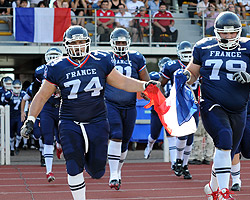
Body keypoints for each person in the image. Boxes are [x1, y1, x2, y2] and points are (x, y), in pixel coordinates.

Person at [20, 25, 158, 200]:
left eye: (81, 42)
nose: (78, 46)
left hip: (97, 121)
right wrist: (30, 119)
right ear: (66, 44)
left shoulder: (100, 60)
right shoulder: (57, 66)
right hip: (70, 121)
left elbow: (122, 82)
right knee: (73, 164)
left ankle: (86, 160)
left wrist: (144, 85)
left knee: (97, 170)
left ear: (88, 43)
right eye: (74, 42)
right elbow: (40, 97)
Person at [185, 11, 250, 199]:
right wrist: (185, 77)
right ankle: (223, 192)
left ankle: (212, 186)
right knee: (223, 139)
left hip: (239, 108)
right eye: (224, 33)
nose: (229, 36)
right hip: (211, 103)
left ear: (239, 31)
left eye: (233, 33)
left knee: (229, 150)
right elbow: (192, 72)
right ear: (216, 32)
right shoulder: (203, 46)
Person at [106, 28, 150, 190]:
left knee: (125, 141)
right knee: (116, 134)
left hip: (129, 105)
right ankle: (112, 175)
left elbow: (145, 80)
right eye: (118, 42)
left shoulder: (136, 57)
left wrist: (147, 92)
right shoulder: (105, 58)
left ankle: (118, 172)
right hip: (110, 103)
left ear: (128, 43)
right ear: (112, 42)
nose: (120, 45)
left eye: (123, 42)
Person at [159, 41, 199, 180]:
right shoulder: (172, 66)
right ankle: (178, 160)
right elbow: (161, 83)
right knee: (182, 135)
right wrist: (164, 99)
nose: (187, 56)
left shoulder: (198, 65)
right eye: (185, 53)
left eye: (189, 53)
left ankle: (185, 165)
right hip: (178, 105)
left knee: (190, 138)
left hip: (193, 105)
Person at [33, 47, 63, 182]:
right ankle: (49, 171)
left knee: (64, 139)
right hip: (47, 108)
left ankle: (60, 146)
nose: (53, 58)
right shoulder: (41, 71)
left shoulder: (66, 68)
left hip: (62, 108)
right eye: (50, 56)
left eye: (55, 56)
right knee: (47, 138)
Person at [144, 57, 178, 171]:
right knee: (154, 136)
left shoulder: (176, 76)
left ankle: (174, 162)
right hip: (157, 111)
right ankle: (149, 146)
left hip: (169, 110)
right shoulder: (155, 77)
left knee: (171, 136)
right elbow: (146, 92)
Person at [4, 79, 26, 156]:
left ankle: (16, 146)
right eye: (15, 87)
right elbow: (4, 104)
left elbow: (27, 103)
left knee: (20, 132)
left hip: (19, 116)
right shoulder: (8, 94)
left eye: (18, 87)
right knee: (11, 134)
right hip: (10, 116)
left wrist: (24, 113)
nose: (17, 89)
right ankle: (12, 148)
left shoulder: (23, 94)